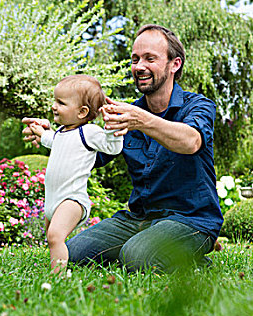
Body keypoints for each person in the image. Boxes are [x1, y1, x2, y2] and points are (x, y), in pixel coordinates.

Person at [24, 24, 223, 273]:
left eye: (150, 58)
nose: (139, 66)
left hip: (190, 218)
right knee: (73, 254)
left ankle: (190, 248)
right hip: (139, 219)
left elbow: (191, 141)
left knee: (137, 257)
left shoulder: (197, 106)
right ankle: (157, 244)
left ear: (175, 64)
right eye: (135, 59)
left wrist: (142, 121)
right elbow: (87, 154)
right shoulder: (126, 115)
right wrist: (55, 135)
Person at [22, 75, 123, 273]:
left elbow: (112, 148)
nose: (54, 106)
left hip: (72, 199)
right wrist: (39, 132)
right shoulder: (61, 132)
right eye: (55, 101)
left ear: (82, 112)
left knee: (55, 236)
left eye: (60, 103)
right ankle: (56, 263)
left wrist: (113, 130)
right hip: (53, 200)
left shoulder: (89, 132)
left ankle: (58, 276)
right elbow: (51, 140)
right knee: (52, 237)